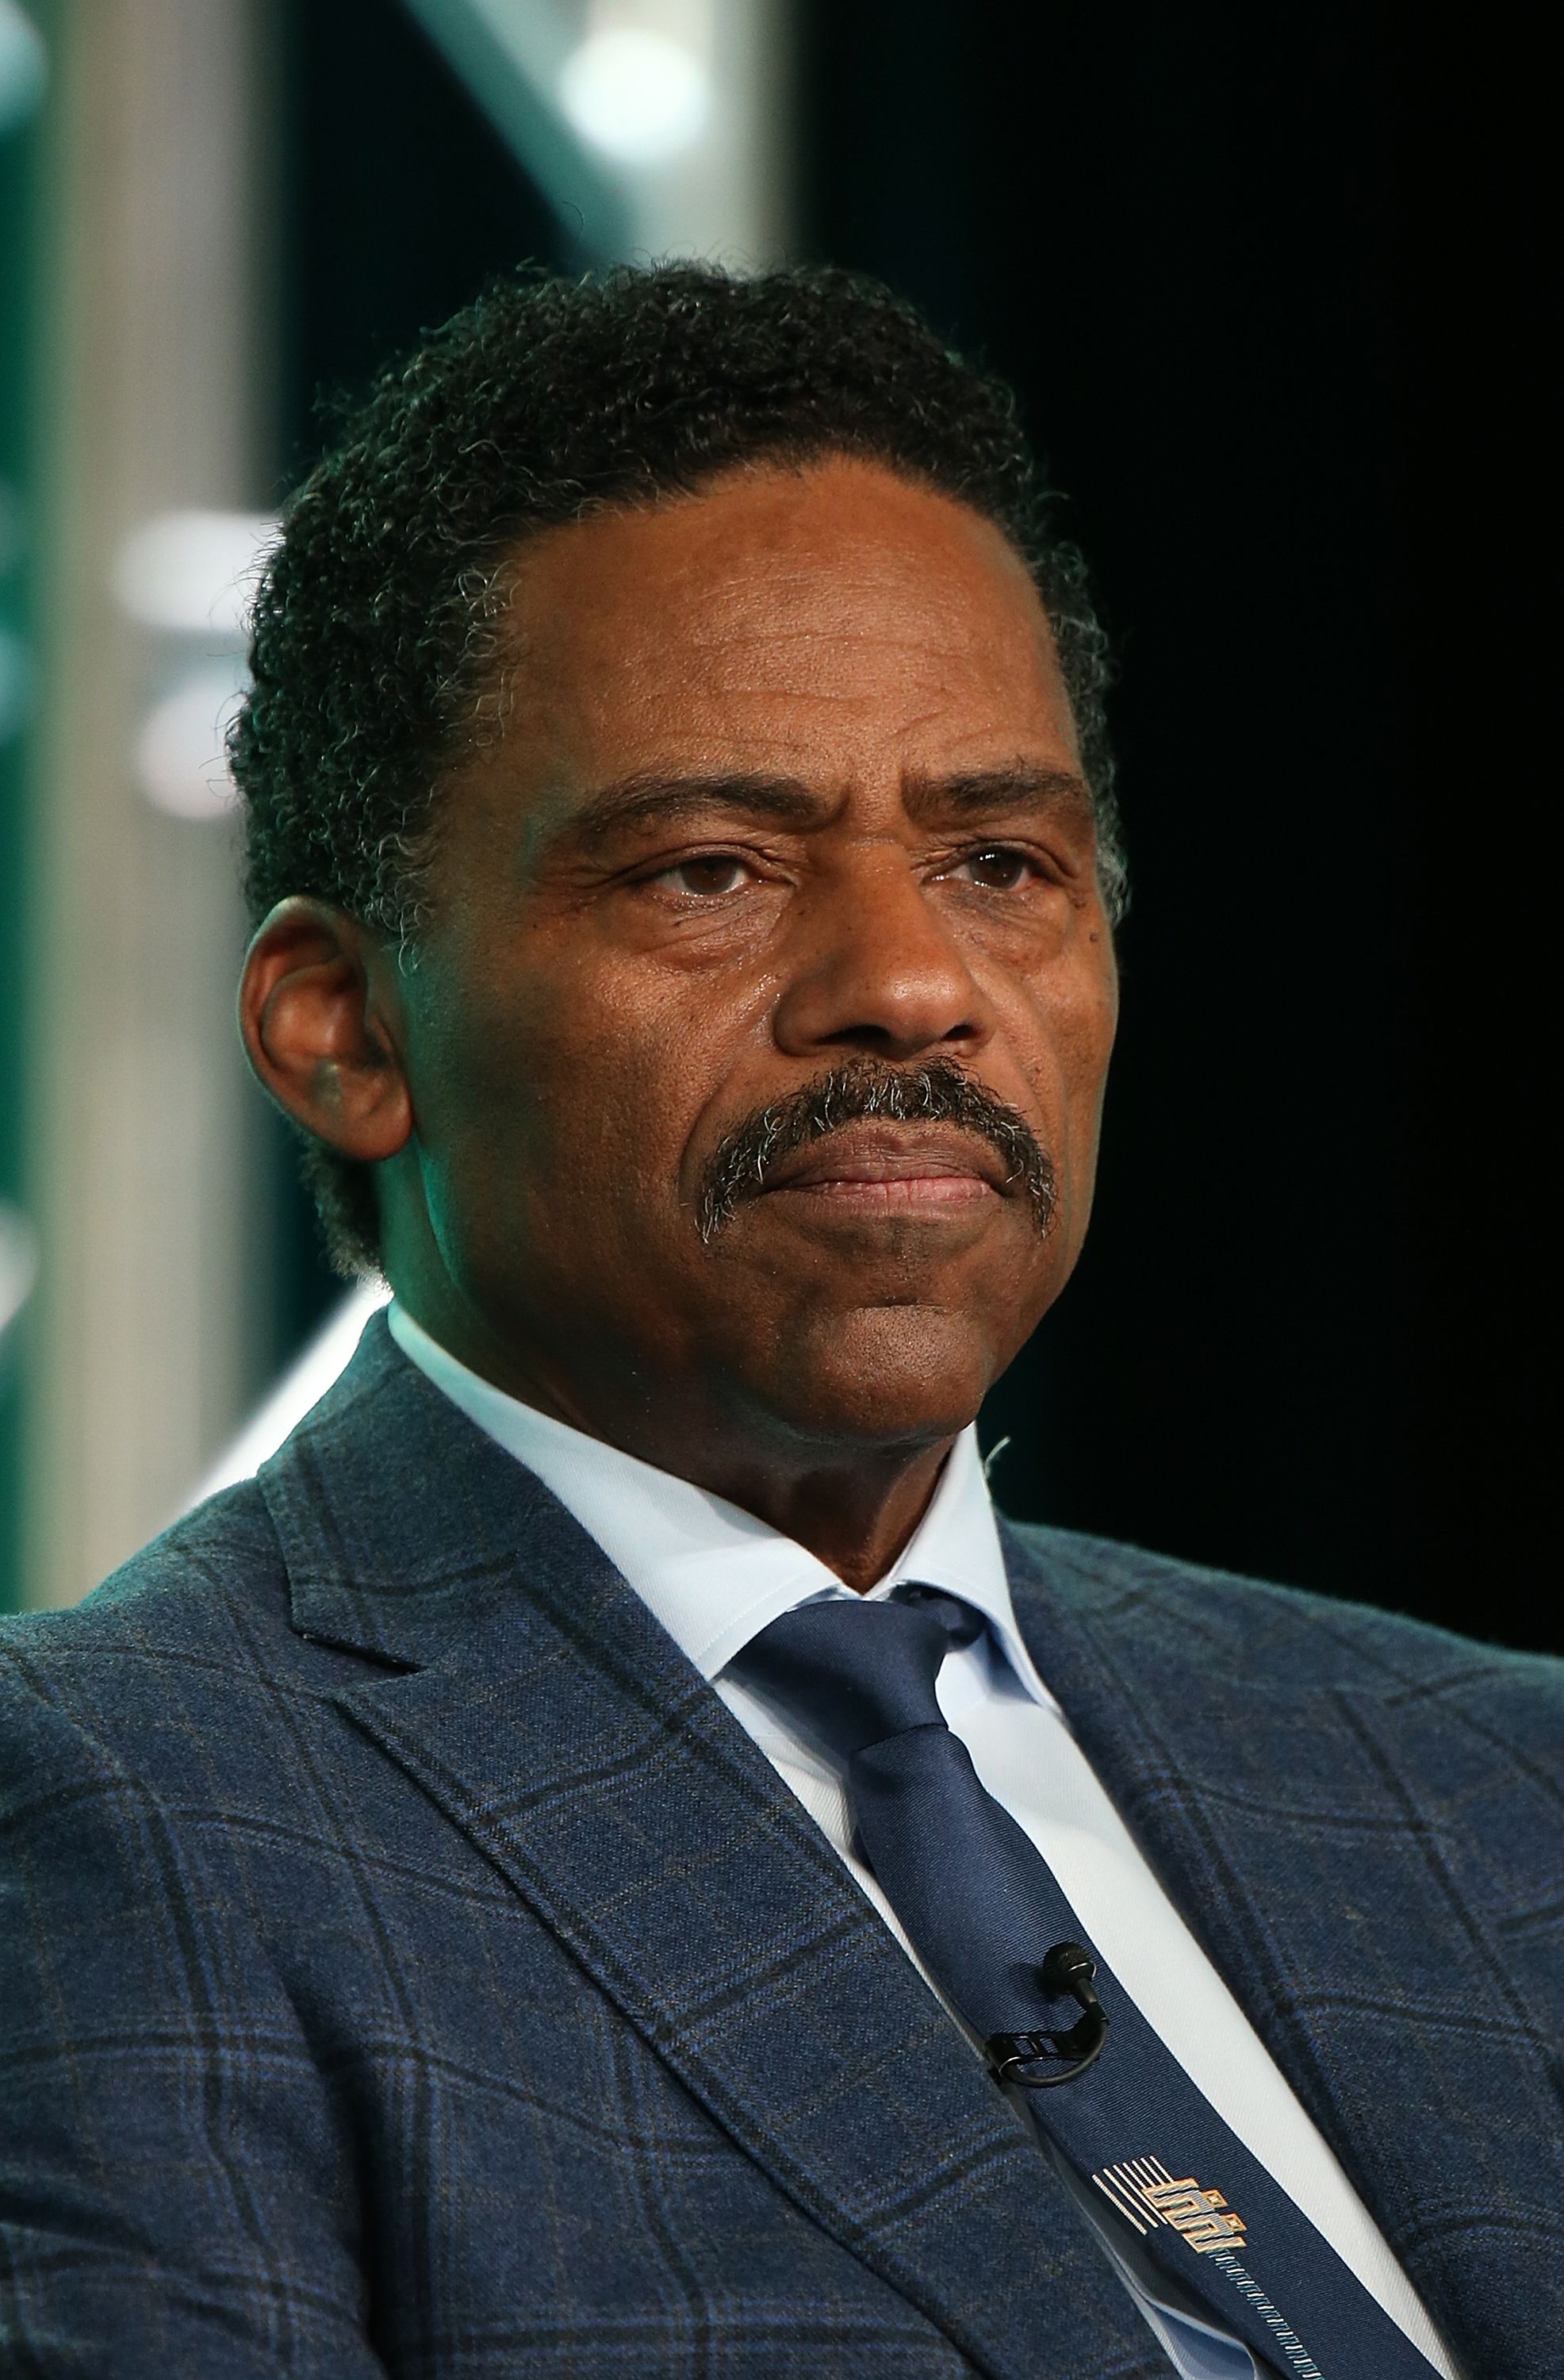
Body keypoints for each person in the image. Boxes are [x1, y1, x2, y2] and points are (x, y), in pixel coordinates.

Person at [0, 265, 1557, 2380]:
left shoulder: (1493, 1781)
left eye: (1001, 859)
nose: (910, 984)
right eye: (714, 868)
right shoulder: (107, 1816)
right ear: (343, 1025)